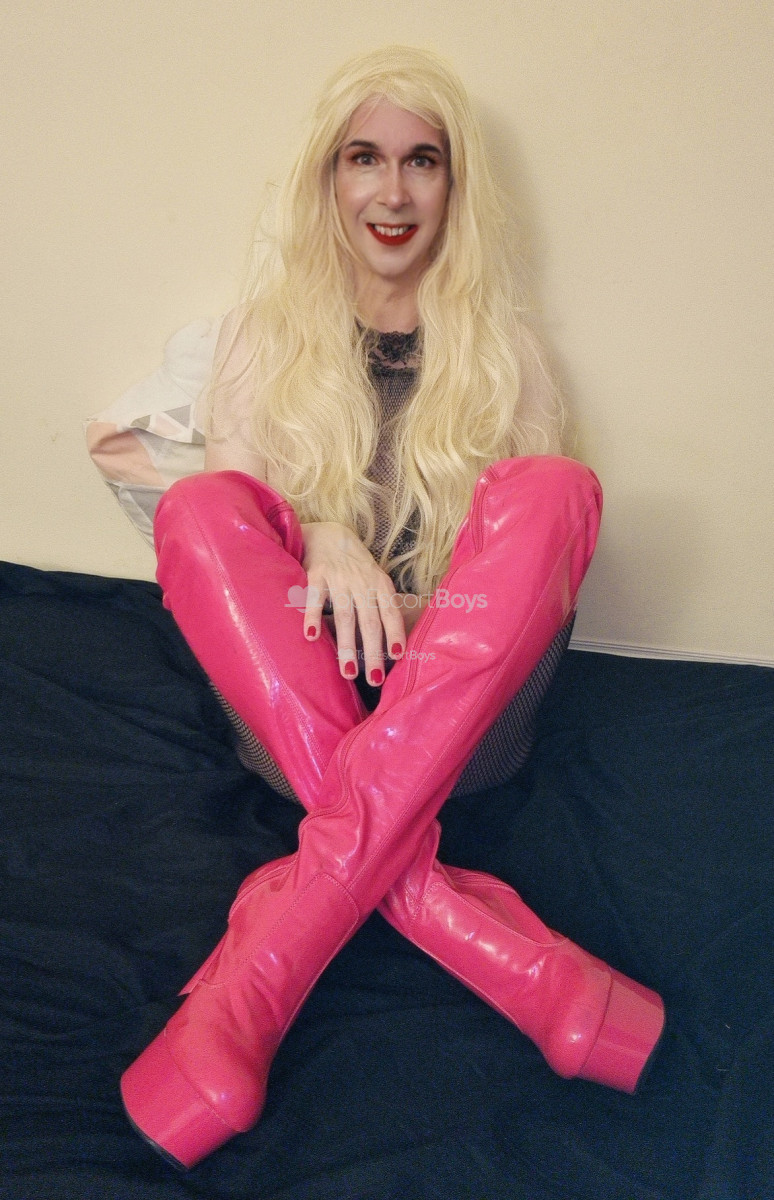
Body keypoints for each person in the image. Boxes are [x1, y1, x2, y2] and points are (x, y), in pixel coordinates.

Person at [120, 45, 664, 1170]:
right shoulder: (261, 338)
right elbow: (234, 535)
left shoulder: (507, 353)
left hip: (462, 728)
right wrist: (322, 530)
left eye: (424, 160)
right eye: (364, 157)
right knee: (200, 506)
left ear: (456, 185)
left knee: (556, 487)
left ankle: (257, 980)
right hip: (300, 714)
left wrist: (423, 607)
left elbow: (516, 584)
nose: (394, 190)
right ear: (328, 177)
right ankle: (515, 962)